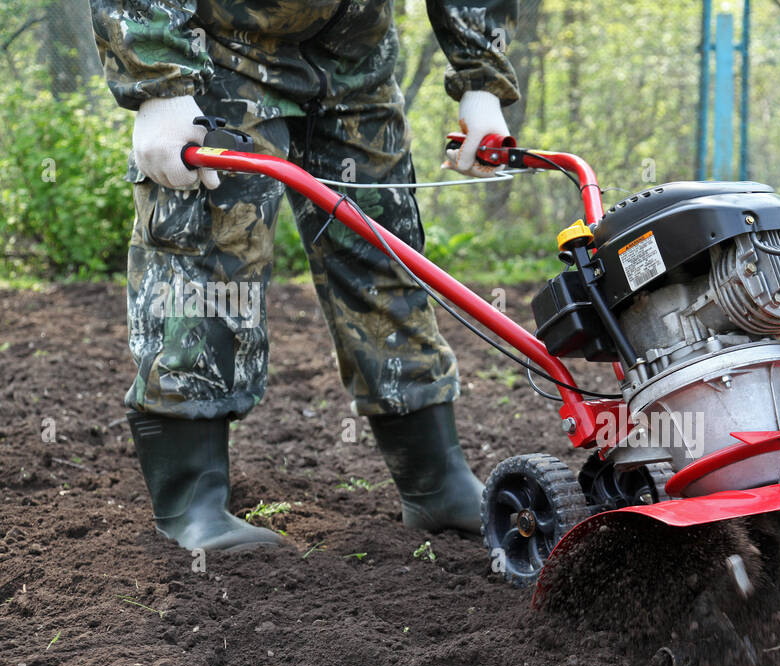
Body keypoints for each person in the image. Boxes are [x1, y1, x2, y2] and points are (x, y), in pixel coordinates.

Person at [89, 0, 518, 550]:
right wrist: (158, 80)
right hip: (222, 48)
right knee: (213, 254)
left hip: (354, 56)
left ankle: (435, 481)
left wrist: (482, 78)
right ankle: (191, 504)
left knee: (384, 250)